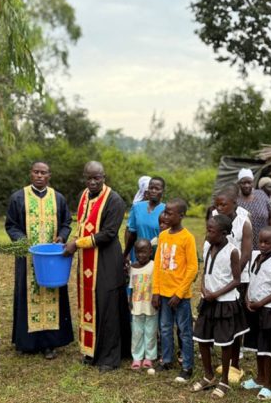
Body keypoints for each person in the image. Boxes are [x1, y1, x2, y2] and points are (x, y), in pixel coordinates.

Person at [64, 161, 129, 373]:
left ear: (104, 177)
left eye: (97, 178)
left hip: (107, 259)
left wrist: (78, 244)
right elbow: (82, 224)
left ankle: (109, 357)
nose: (92, 182)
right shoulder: (85, 195)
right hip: (87, 261)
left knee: (107, 305)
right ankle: (91, 351)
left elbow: (109, 234)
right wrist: (74, 238)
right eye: (89, 178)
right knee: (90, 304)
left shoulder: (114, 200)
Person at [5, 161, 74, 359]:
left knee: (52, 293)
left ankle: (50, 343)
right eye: (36, 172)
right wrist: (23, 241)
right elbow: (11, 225)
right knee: (28, 293)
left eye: (43, 172)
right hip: (28, 258)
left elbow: (66, 222)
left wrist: (62, 236)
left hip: (52, 259)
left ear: (49, 175)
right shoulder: (19, 197)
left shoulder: (58, 198)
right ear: (30, 174)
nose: (39, 176)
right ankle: (28, 342)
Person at [191, 214, 247, 398]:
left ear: (223, 233)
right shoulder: (208, 245)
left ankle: (223, 380)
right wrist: (204, 289)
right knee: (202, 338)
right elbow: (206, 271)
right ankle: (208, 376)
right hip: (208, 300)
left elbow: (237, 280)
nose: (207, 233)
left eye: (210, 231)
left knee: (225, 343)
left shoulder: (232, 251)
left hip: (225, 302)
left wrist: (216, 294)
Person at [151, 198, 199, 383]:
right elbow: (157, 266)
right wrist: (156, 291)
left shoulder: (187, 238)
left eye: (170, 213)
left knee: (184, 331)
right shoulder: (163, 236)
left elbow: (192, 268)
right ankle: (167, 360)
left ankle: (187, 366)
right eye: (165, 212)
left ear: (181, 215)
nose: (165, 216)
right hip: (163, 294)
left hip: (180, 297)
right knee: (164, 328)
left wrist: (179, 293)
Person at [212, 184, 252, 383]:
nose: (219, 208)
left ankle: (235, 364)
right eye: (217, 204)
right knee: (222, 320)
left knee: (236, 320)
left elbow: (245, 253)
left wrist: (232, 274)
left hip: (238, 279)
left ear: (234, 204)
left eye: (223, 205)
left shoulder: (244, 222)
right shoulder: (215, 217)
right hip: (218, 279)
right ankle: (225, 360)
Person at [241, 226, 271, 400]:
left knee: (268, 349)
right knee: (258, 346)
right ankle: (259, 378)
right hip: (253, 309)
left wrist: (261, 302)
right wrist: (247, 298)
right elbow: (250, 281)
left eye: (267, 243)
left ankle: (268, 385)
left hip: (269, 311)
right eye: (260, 241)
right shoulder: (254, 256)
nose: (262, 245)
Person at [129, 239, 158, 373]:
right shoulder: (132, 268)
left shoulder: (154, 266)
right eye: (138, 252)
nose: (141, 255)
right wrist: (129, 300)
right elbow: (131, 287)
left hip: (151, 306)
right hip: (137, 306)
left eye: (144, 252)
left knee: (151, 332)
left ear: (150, 252)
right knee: (137, 332)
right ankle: (137, 357)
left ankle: (149, 357)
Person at [124, 177, 165, 263]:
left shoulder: (166, 210)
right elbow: (131, 232)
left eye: (157, 189)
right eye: (151, 188)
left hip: (157, 256)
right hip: (138, 255)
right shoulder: (137, 207)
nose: (153, 191)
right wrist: (126, 254)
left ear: (163, 192)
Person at [237, 168, 271, 245]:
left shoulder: (261, 195)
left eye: (249, 182)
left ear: (253, 182)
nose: (246, 185)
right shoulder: (235, 200)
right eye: (243, 183)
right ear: (239, 184)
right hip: (242, 245)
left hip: (265, 244)